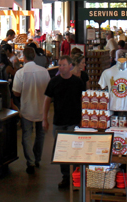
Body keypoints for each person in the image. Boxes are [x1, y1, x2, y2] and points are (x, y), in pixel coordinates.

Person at [43, 56, 85, 189]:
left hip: (74, 121)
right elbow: (47, 100)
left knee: (73, 150)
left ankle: (75, 177)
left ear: (70, 66)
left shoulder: (77, 82)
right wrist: (45, 118)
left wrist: (83, 118)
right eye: (59, 65)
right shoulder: (54, 82)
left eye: (63, 65)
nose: (61, 67)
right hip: (59, 121)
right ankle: (66, 176)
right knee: (62, 150)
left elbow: (82, 100)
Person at [12, 46, 50, 175]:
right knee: (41, 135)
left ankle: (30, 162)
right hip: (42, 108)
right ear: (34, 56)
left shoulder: (20, 73)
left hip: (27, 108)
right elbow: (49, 91)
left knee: (27, 136)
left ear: (24, 58)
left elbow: (16, 93)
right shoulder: (44, 71)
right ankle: (37, 158)